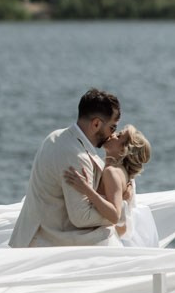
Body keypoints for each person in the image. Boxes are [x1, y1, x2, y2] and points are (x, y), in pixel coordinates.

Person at [8, 88, 121, 247]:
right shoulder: (77, 157)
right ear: (96, 124)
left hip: (29, 236)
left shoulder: (55, 136)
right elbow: (82, 217)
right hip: (46, 244)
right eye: (112, 128)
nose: (112, 135)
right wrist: (116, 214)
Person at [63, 125, 151, 244]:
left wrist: (86, 189)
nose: (113, 135)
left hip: (101, 243)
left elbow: (115, 215)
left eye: (118, 136)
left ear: (123, 150)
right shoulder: (123, 174)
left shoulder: (111, 172)